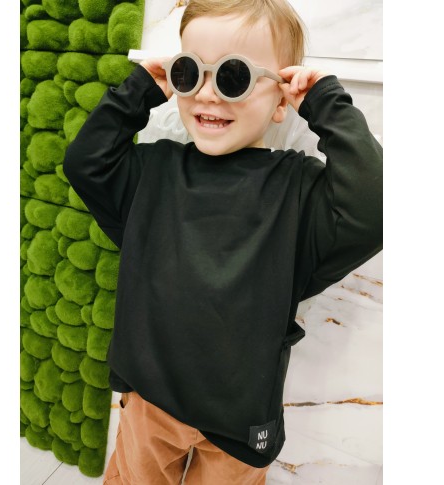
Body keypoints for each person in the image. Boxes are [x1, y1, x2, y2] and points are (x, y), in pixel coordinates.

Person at [63, 0, 383, 483]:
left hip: (240, 421)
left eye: (233, 77)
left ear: (281, 100)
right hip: (150, 403)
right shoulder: (152, 172)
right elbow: (85, 162)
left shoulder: (299, 192)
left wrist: (326, 103)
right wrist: (138, 91)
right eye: (190, 73)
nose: (208, 94)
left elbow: (375, 204)